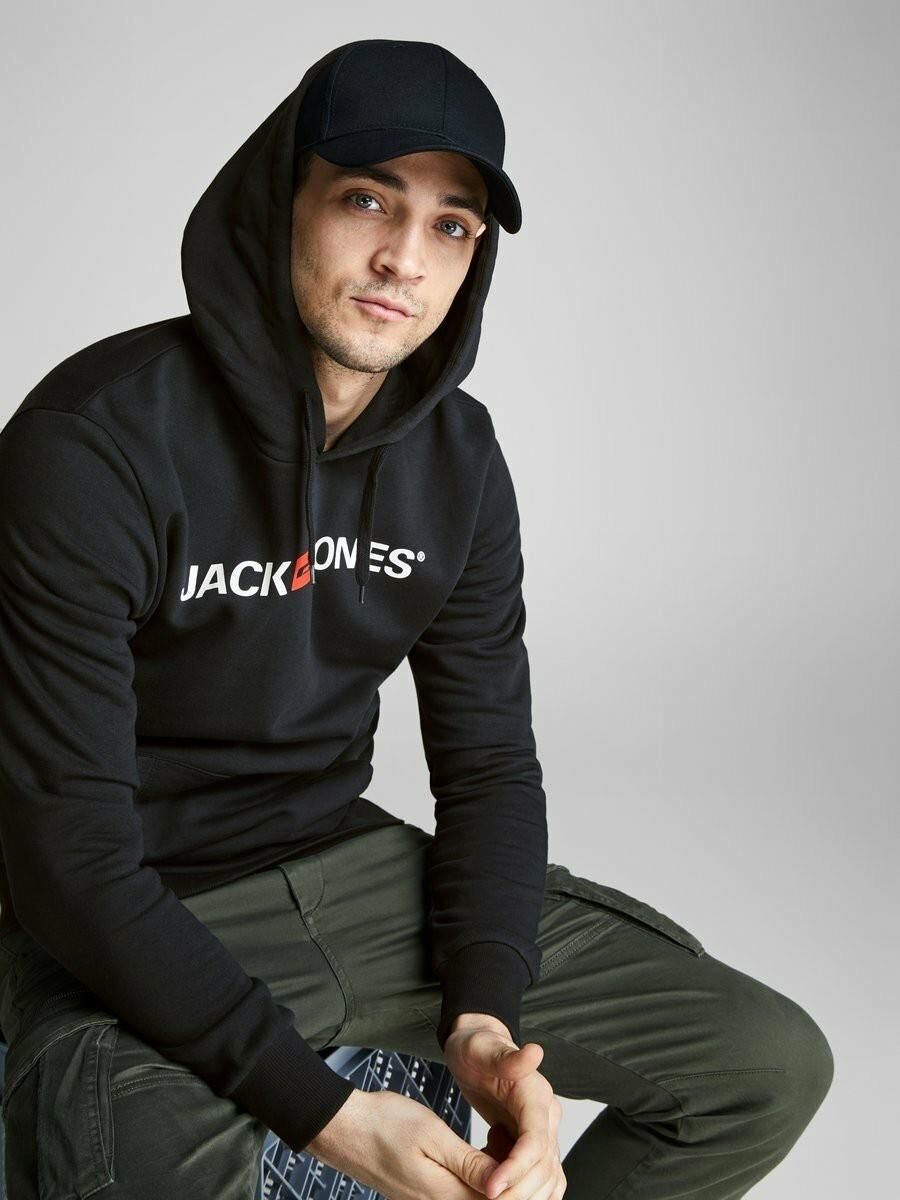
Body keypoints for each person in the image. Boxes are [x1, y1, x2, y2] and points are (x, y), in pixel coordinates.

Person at [0, 37, 833, 1200]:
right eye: (365, 199)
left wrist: (484, 1015)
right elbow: (70, 857)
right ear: (279, 200)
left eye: (451, 224)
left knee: (766, 1064)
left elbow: (489, 765)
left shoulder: (460, 459)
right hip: (125, 911)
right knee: (141, 1162)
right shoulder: (94, 443)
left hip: (349, 875)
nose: (405, 257)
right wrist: (331, 1118)